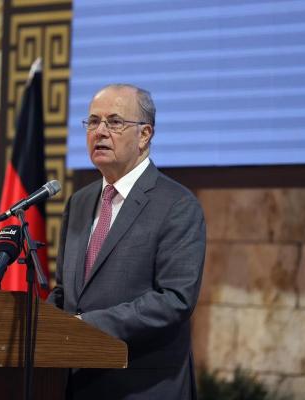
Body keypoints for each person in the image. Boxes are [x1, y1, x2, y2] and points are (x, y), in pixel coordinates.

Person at [47, 84, 206, 400]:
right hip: (78, 385)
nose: (100, 131)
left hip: (142, 387)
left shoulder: (177, 205)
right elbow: (67, 292)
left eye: (114, 122)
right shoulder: (79, 202)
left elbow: (174, 299)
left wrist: (86, 325)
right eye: (93, 121)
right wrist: (41, 325)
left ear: (145, 135)